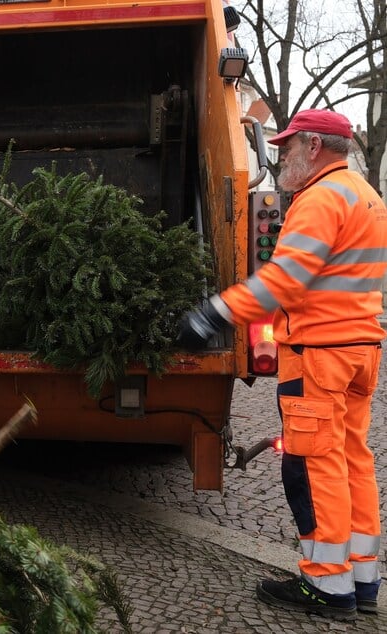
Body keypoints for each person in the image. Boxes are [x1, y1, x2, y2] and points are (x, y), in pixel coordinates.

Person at [176, 109, 387, 621]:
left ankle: (325, 586)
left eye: (288, 147)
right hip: (360, 350)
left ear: (314, 146)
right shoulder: (367, 196)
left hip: (318, 355)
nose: (282, 155)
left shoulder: (319, 199)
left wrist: (214, 312)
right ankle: (360, 580)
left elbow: (283, 281)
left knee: (312, 466)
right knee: (351, 459)